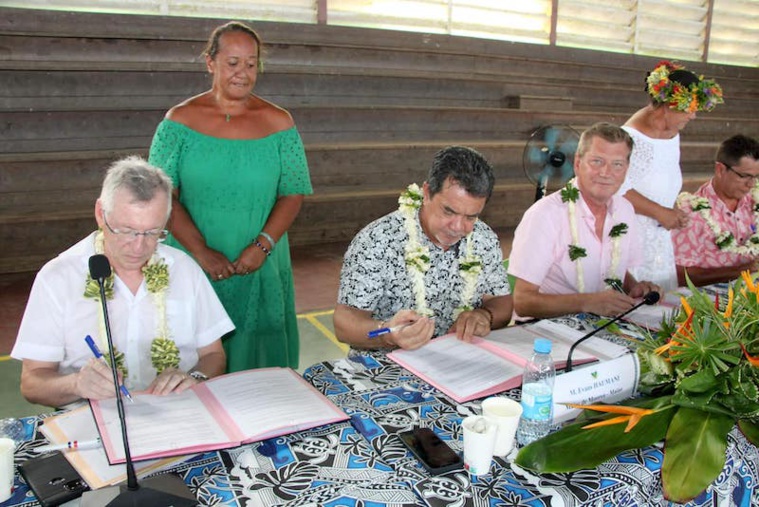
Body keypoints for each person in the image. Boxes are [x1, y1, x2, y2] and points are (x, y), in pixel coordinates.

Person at [148, 21, 312, 372]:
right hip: (194, 260)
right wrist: (201, 252)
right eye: (233, 62)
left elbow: (293, 192)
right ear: (211, 62)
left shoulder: (280, 123)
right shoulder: (177, 123)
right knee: (193, 358)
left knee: (260, 366)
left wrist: (263, 245)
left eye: (251, 64)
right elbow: (162, 196)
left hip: (259, 261)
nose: (243, 73)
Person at [12, 157, 234, 408]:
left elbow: (213, 355)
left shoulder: (183, 269)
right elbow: (32, 383)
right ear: (100, 214)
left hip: (176, 413)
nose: (139, 247)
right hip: (91, 421)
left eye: (153, 232)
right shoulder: (58, 277)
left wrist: (194, 377)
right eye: (126, 231)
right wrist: (76, 384)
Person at [334, 146, 512, 351]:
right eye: (448, 211)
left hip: (458, 361)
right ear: (426, 193)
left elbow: (501, 302)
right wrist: (386, 333)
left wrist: (484, 316)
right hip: (385, 368)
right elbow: (344, 325)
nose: (458, 227)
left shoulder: (483, 238)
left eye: (470, 216)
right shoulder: (378, 240)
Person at [508, 122, 660, 319]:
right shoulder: (545, 214)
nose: (606, 173)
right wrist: (588, 302)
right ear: (577, 163)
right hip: (546, 331)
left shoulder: (625, 210)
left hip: (601, 326)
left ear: (626, 170)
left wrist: (636, 287)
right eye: (597, 161)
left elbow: (613, 268)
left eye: (617, 164)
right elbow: (523, 302)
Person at [619, 60, 723, 291]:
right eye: (689, 108)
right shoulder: (630, 138)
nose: (693, 116)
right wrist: (660, 212)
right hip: (632, 232)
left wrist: (672, 209)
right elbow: (616, 188)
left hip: (659, 234)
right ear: (667, 105)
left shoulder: (672, 132)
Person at [673, 135, 759, 287]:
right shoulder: (691, 213)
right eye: (745, 176)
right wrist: (743, 270)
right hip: (711, 301)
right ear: (720, 169)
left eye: (756, 177)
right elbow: (680, 275)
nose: (751, 184)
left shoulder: (755, 201)